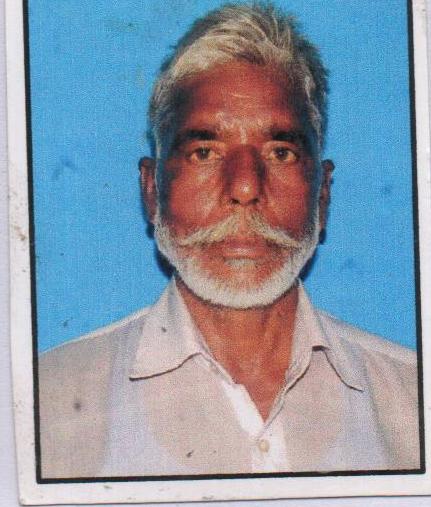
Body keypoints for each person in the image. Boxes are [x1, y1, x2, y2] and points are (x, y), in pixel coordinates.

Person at [39, 3, 420, 477]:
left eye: (280, 152)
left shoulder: (413, 399)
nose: (244, 187)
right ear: (152, 190)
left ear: (322, 195)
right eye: (204, 152)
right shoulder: (48, 405)